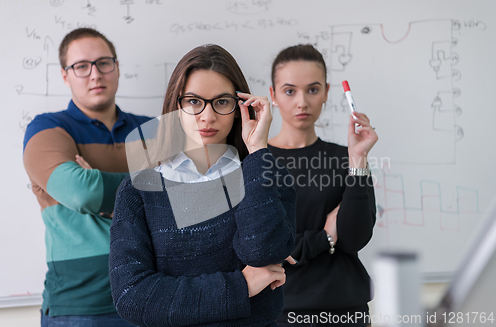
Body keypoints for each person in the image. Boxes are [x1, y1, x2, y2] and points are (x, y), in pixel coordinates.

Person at [108, 44, 297, 327]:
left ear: (239, 108)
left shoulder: (266, 176)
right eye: (194, 101)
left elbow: (263, 252)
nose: (207, 117)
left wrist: (257, 150)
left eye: (221, 102)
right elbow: (132, 296)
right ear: (177, 105)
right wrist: (241, 285)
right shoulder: (138, 190)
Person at [23, 28, 151, 326]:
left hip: (150, 295)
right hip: (80, 307)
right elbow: (84, 194)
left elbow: (183, 197)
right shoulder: (46, 129)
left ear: (117, 67)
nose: (95, 74)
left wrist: (99, 182)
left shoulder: (151, 129)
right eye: (81, 66)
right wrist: (147, 184)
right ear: (66, 76)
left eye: (104, 62)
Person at [268, 44, 378, 327]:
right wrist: (325, 238)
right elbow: (264, 248)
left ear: (327, 92)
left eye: (313, 90)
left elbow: (356, 238)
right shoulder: (258, 162)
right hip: (280, 313)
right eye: (290, 91)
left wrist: (358, 158)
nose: (302, 102)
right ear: (273, 96)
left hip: (346, 311)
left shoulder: (347, 157)